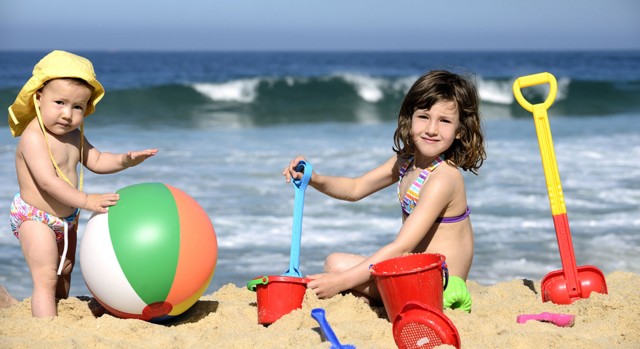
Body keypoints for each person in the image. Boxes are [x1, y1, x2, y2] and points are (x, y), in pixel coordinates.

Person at [283, 70, 485, 313]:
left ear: (460, 130)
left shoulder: (444, 178)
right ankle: (375, 298)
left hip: (443, 288)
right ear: (409, 119)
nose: (432, 129)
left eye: (444, 121)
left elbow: (401, 247)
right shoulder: (406, 162)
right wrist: (314, 179)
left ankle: (377, 298)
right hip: (418, 273)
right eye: (423, 116)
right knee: (335, 262)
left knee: (338, 274)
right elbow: (356, 188)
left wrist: (338, 284)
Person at [7, 50, 158, 317]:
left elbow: (97, 160)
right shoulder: (33, 137)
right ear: (39, 98)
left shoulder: (74, 136)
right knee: (46, 278)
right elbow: (48, 181)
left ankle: (55, 310)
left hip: (67, 217)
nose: (67, 114)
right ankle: (46, 332)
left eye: (77, 107)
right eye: (60, 103)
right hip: (36, 217)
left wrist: (125, 160)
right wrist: (88, 201)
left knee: (64, 273)